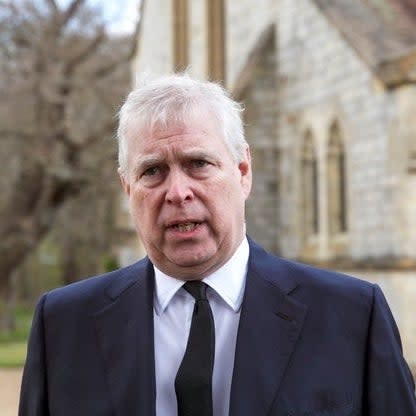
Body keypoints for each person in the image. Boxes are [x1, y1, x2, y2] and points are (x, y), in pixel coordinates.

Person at [19, 73, 416, 416]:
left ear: (243, 172)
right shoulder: (63, 326)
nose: (177, 192)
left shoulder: (351, 316)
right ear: (128, 189)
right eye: (152, 171)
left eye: (198, 164)